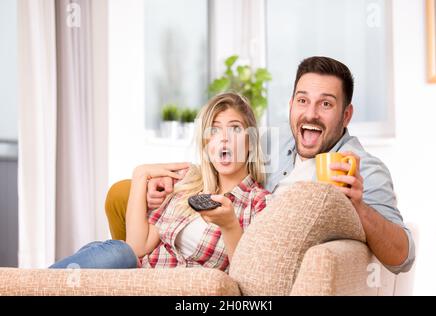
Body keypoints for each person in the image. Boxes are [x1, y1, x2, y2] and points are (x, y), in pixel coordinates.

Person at [105, 56, 415, 274]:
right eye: (303, 100)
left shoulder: (362, 168)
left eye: (326, 104)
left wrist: (357, 207)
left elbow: (402, 256)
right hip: (198, 225)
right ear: (291, 103)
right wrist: (165, 182)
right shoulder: (275, 141)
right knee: (124, 193)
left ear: (346, 115)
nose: (311, 113)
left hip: (251, 249)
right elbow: (222, 152)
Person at [50, 93, 270, 271]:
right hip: (140, 276)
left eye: (235, 129)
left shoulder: (259, 203)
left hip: (176, 288)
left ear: (250, 142)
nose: (224, 138)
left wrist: (229, 224)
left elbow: (248, 275)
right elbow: (137, 246)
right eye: (213, 130)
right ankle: (31, 285)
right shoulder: (189, 182)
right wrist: (140, 175)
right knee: (118, 252)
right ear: (206, 144)